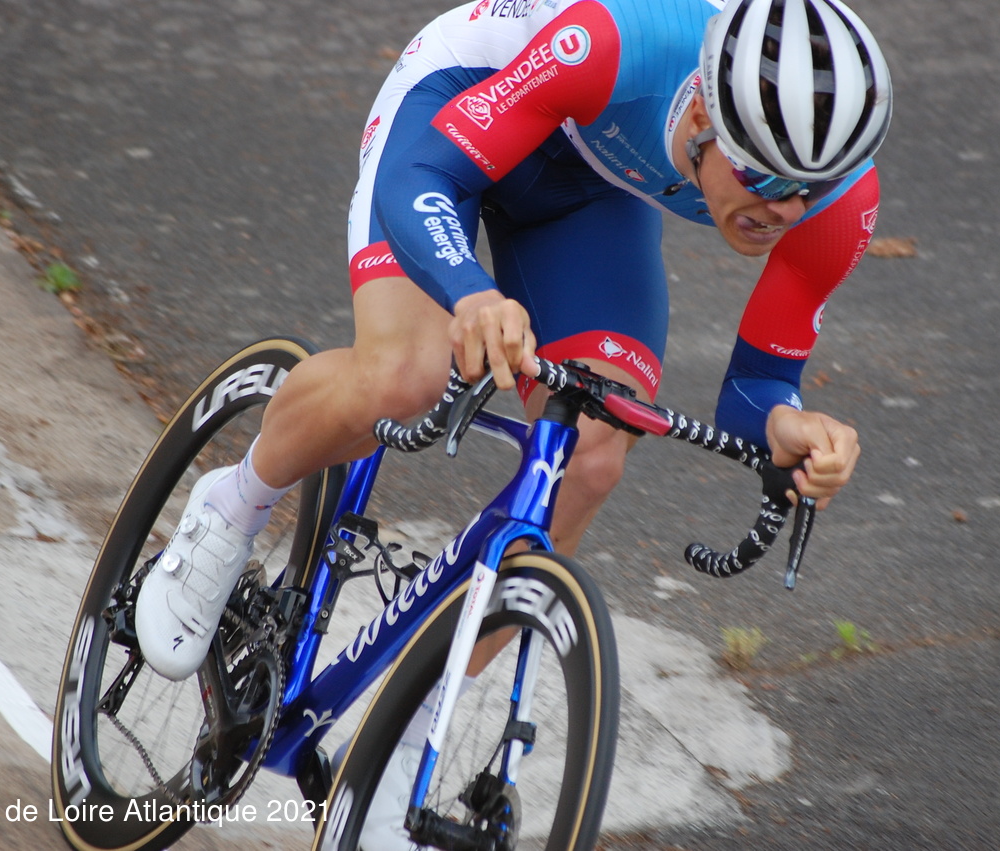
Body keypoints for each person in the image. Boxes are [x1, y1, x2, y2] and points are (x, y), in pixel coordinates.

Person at [137, 0, 890, 842]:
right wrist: (469, 292)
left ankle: (407, 732)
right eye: (763, 178)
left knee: (592, 453)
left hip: (588, 191)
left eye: (805, 190)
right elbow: (421, 176)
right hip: (460, 110)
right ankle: (229, 507)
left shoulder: (837, 200)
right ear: (704, 119)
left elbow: (758, 382)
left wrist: (783, 422)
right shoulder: (616, 45)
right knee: (408, 375)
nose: (783, 208)